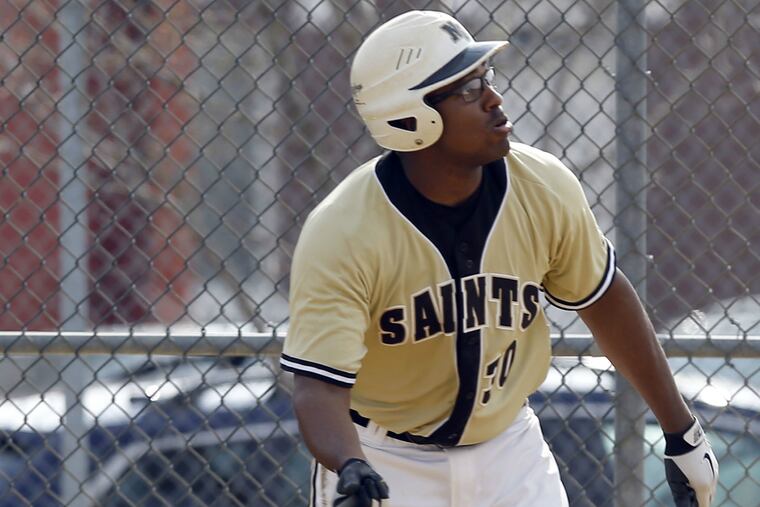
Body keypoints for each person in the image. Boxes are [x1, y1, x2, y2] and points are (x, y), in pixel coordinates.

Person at [280, 9, 719, 507]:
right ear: (410, 118)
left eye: (485, 78)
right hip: (388, 460)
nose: (494, 99)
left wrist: (682, 430)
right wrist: (349, 464)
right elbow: (317, 385)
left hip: (509, 450)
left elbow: (603, 298)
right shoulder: (343, 229)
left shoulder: (542, 185)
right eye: (467, 90)